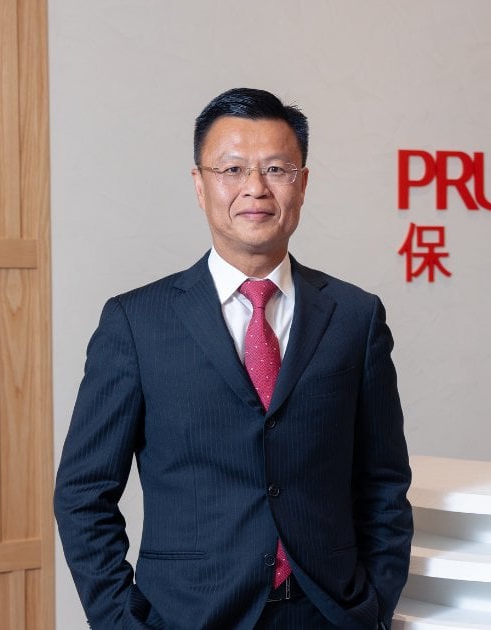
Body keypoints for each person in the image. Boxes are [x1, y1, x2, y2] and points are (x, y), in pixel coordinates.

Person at [54, 87, 413, 630]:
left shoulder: (355, 317)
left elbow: (384, 480)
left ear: (303, 184)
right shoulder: (136, 322)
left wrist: (374, 606)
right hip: (189, 616)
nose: (255, 188)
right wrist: (122, 622)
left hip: (327, 613)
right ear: (200, 186)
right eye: (232, 169)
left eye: (276, 169)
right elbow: (83, 494)